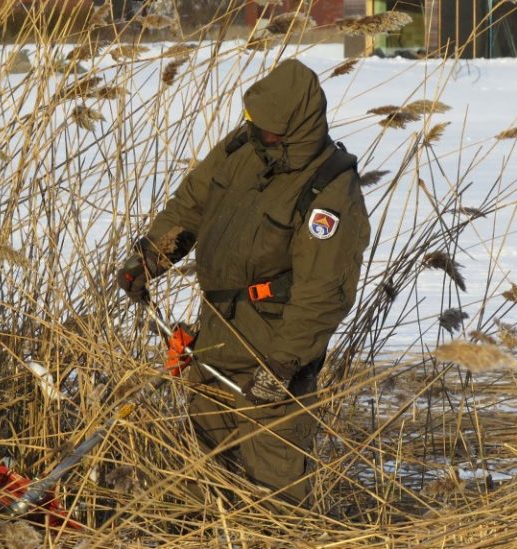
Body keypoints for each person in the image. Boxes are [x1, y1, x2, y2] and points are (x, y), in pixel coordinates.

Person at [116, 59, 370, 508]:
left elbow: (323, 292)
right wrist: (149, 257)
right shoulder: (244, 148)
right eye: (255, 122)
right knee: (204, 470)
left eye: (268, 128)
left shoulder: (330, 192)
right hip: (216, 334)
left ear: (295, 128)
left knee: (273, 479)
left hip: (273, 348)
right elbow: (192, 202)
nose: (257, 133)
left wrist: (283, 366)